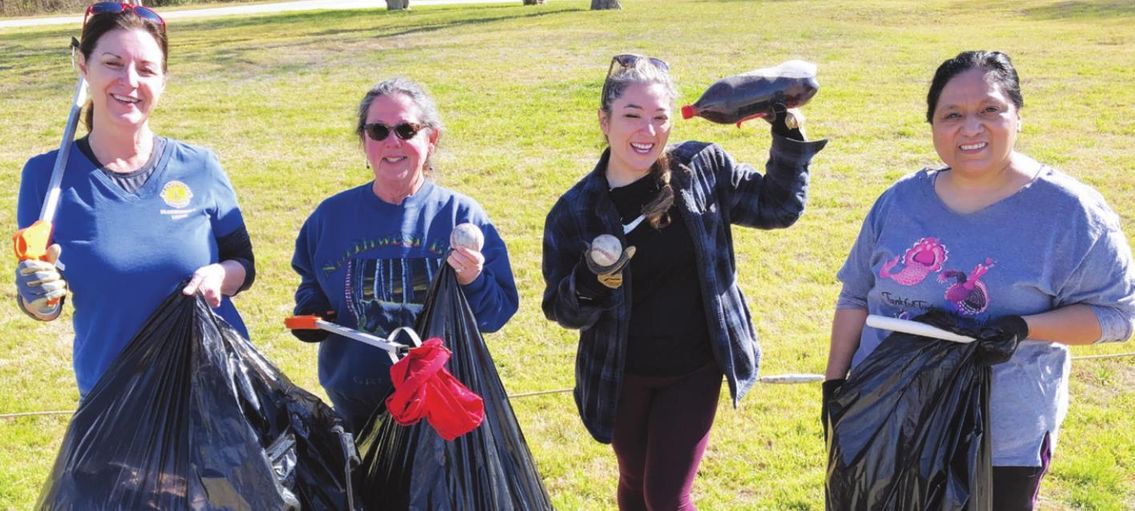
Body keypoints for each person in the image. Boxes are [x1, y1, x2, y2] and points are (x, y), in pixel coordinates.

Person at [824, 50, 1135, 510]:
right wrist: (836, 387)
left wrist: (1024, 328)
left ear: (1017, 115)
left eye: (990, 110)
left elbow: (1119, 315)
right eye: (952, 115)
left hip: (1001, 441)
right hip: (884, 419)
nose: (971, 128)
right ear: (933, 125)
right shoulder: (898, 203)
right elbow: (855, 296)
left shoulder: (1070, 214)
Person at [541, 54, 827, 510]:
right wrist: (590, 282)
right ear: (604, 120)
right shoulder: (576, 210)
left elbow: (777, 208)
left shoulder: (701, 169)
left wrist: (787, 131)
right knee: (634, 481)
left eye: (659, 118)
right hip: (620, 373)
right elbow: (561, 310)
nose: (648, 132)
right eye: (632, 116)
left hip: (694, 368)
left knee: (666, 496)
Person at [15, 3, 255, 399]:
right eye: (112, 62)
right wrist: (37, 298)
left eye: (146, 68)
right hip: (115, 407)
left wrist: (219, 276)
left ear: (163, 80)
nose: (129, 80)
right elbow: (46, 302)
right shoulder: (46, 178)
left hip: (216, 395)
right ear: (83, 65)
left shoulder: (200, 166)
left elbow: (243, 264)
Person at [290, 77, 518, 433]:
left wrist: (472, 279)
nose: (392, 141)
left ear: (431, 138)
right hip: (357, 406)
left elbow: (495, 314)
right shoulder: (330, 217)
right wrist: (313, 311)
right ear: (363, 140)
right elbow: (312, 283)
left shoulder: (461, 215)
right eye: (378, 130)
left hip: (441, 410)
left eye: (406, 129)